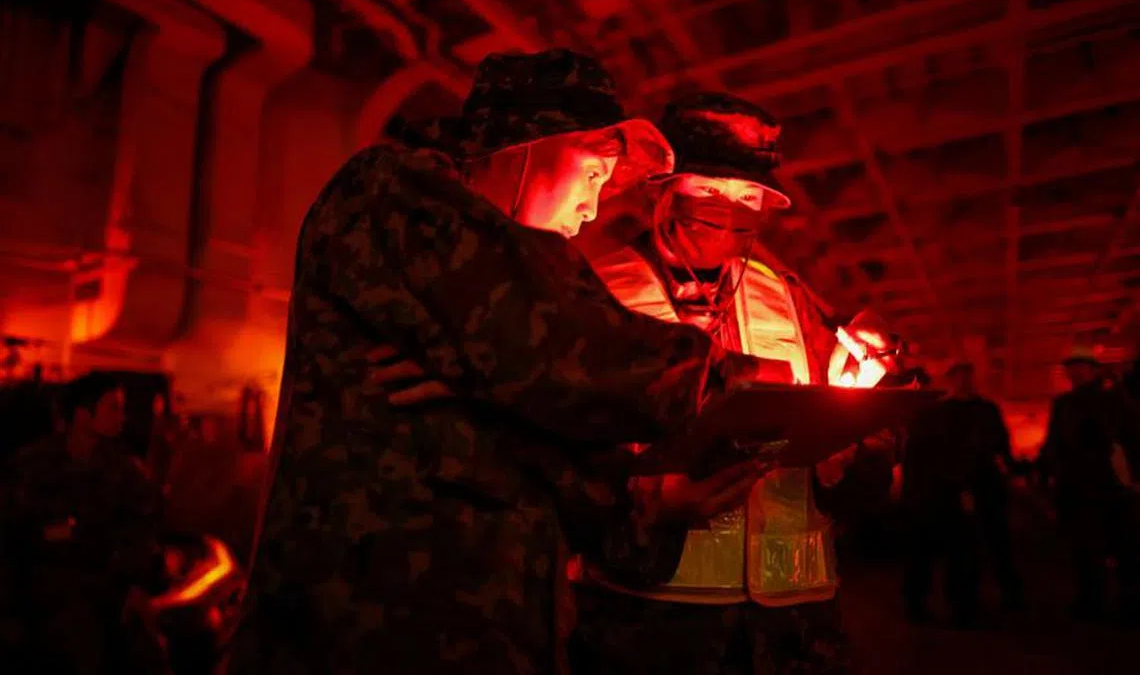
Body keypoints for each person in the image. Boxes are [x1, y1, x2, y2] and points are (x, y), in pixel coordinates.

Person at [229, 50, 779, 675]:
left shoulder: (492, 336)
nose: (593, 209)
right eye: (595, 174)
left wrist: (653, 508)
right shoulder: (387, 194)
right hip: (353, 641)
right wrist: (735, 379)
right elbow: (554, 341)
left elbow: (550, 447)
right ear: (533, 145)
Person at [571, 93, 856, 675]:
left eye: (748, 197)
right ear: (661, 190)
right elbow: (558, 450)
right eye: (708, 189)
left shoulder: (794, 300)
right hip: (648, 618)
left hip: (795, 618)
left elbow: (834, 438)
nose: (729, 208)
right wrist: (646, 510)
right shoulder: (594, 288)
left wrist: (856, 446)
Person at [0, 371, 165, 673]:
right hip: (48, 592)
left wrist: (137, 582)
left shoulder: (123, 470)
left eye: (122, 407)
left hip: (106, 586)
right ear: (83, 414)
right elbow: (11, 534)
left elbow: (145, 523)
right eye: (113, 407)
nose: (122, 417)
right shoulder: (32, 465)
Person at [901, 361, 1022, 626]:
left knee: (966, 549)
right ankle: (949, 604)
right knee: (951, 549)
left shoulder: (980, 411)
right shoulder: (936, 414)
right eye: (960, 376)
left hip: (968, 487)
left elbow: (997, 446)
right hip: (942, 490)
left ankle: (963, 603)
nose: (964, 381)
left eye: (967, 376)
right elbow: (921, 456)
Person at [1038, 346, 1140, 620]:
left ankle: (1126, 601)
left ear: (1093, 369)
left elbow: (1133, 436)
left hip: (1110, 483)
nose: (1075, 372)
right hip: (1079, 485)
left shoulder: (1114, 399)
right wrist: (1049, 474)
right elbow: (1054, 444)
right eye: (1072, 367)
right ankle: (1092, 600)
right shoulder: (1064, 404)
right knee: (1086, 547)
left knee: (1122, 545)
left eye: (1080, 366)